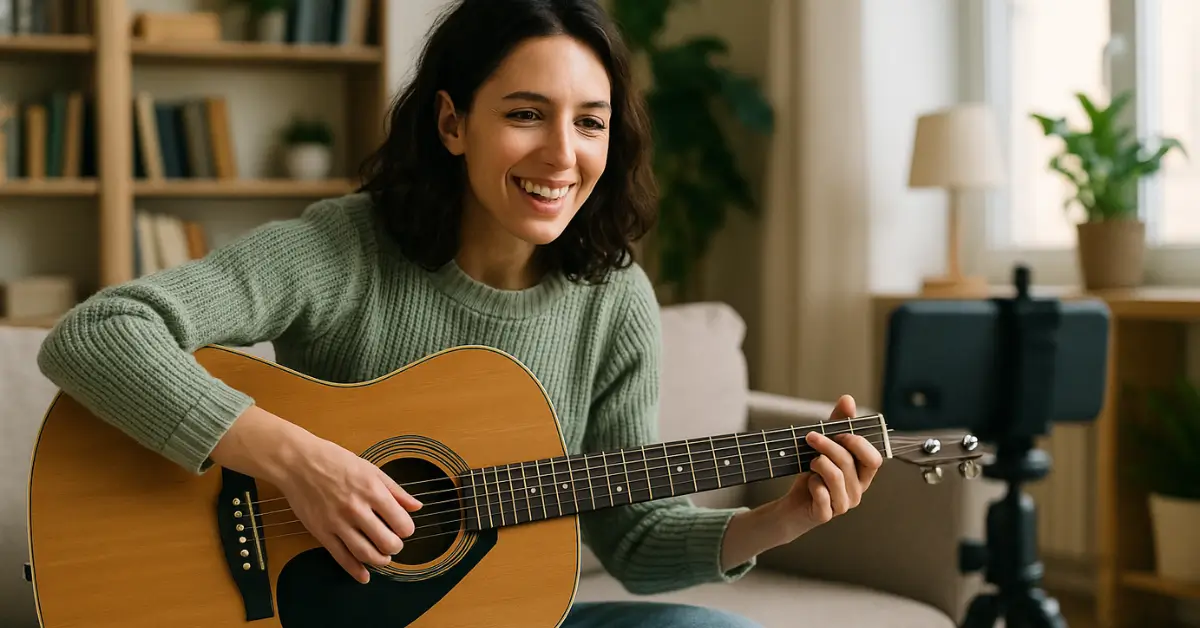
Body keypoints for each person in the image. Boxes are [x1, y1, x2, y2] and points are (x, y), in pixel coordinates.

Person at [36, 0, 883, 626]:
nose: (562, 155)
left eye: (590, 123)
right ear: (452, 122)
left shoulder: (613, 298)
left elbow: (629, 535)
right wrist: (300, 462)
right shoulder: (344, 249)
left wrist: (780, 519)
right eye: (525, 115)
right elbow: (99, 334)